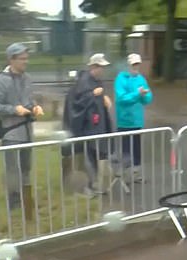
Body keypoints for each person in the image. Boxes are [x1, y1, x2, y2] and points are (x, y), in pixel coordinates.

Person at [0, 42, 44, 211]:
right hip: (11, 133)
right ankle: (14, 202)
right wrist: (13, 110)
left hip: (27, 131)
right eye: (22, 59)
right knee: (13, 169)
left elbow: (28, 100)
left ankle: (27, 200)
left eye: (27, 58)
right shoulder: (1, 81)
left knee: (26, 167)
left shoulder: (27, 78)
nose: (25, 61)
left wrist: (34, 107)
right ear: (11, 59)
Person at [66, 53, 114, 196]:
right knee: (88, 156)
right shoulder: (84, 82)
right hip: (87, 128)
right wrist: (92, 95)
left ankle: (93, 185)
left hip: (96, 126)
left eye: (104, 67)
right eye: (100, 67)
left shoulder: (96, 81)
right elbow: (77, 103)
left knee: (94, 155)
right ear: (93, 66)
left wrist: (104, 99)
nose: (103, 70)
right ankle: (86, 186)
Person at [114, 53, 153, 182]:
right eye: (133, 64)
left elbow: (147, 99)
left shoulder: (141, 79)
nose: (136, 67)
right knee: (126, 148)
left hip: (137, 120)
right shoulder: (121, 78)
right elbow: (121, 98)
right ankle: (123, 174)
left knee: (136, 148)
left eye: (138, 64)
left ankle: (136, 173)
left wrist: (144, 95)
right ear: (128, 65)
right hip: (124, 120)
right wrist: (137, 94)